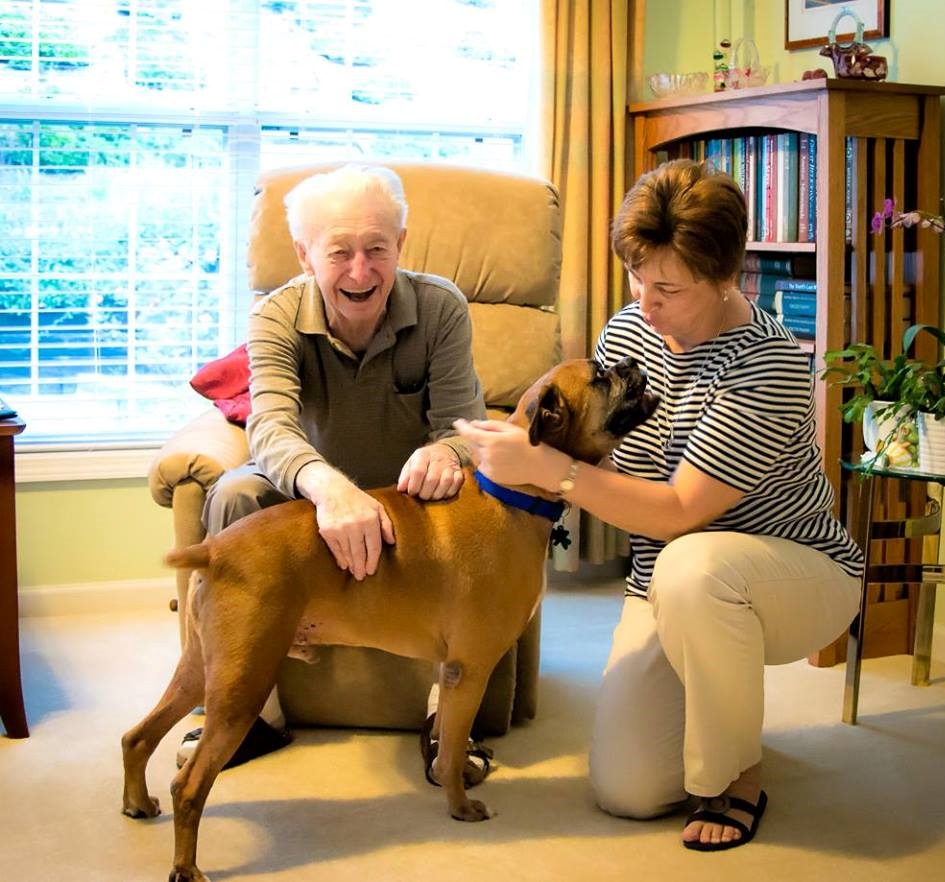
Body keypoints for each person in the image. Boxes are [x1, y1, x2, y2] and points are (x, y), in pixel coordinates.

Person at [454, 158, 864, 851]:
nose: (646, 302)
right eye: (636, 277)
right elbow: (590, 457)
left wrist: (550, 470)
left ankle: (737, 778)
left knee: (694, 566)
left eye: (668, 287)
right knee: (629, 790)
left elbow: (680, 511)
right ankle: (719, 709)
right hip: (666, 582)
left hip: (796, 575)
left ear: (726, 276)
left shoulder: (768, 363)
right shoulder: (628, 334)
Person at [177, 163, 488, 771]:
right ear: (304, 255)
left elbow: (463, 426)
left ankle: (447, 723)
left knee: (475, 502)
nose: (360, 271)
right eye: (339, 252)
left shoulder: (442, 307)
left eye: (377, 249)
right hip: (306, 491)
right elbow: (270, 427)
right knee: (235, 495)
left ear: (401, 243)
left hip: (412, 502)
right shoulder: (275, 315)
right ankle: (250, 718)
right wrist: (327, 488)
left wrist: (445, 452)